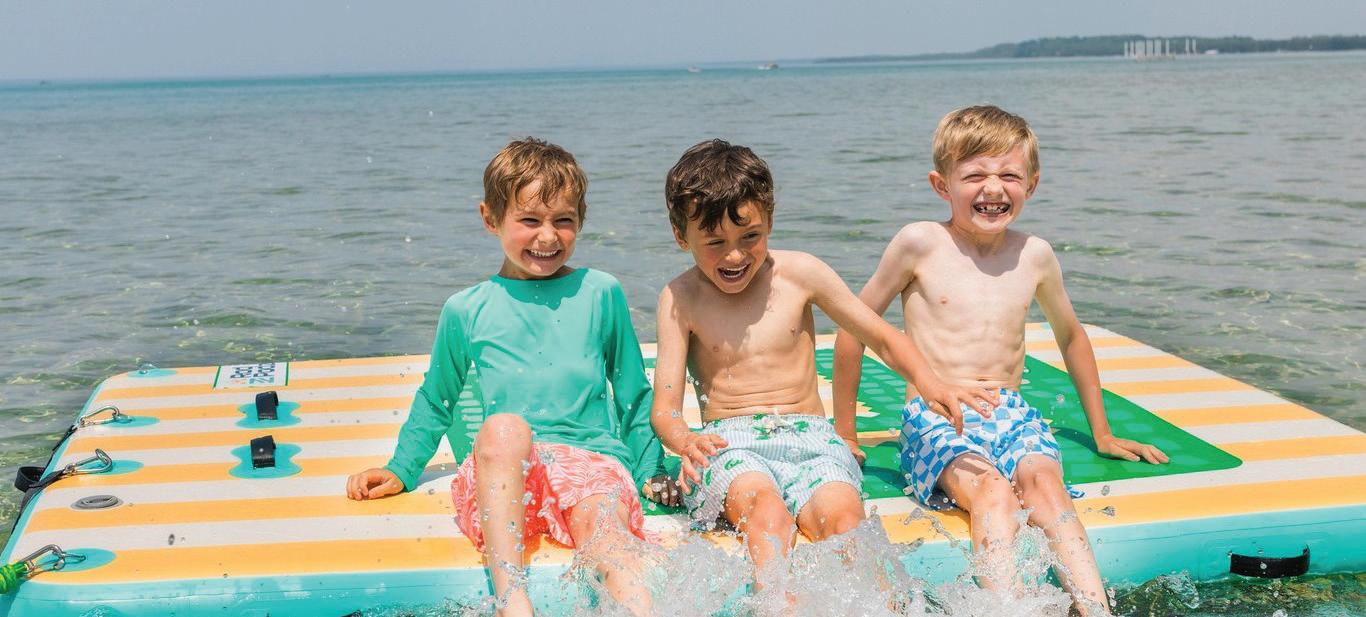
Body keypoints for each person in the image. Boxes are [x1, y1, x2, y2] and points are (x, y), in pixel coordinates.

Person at [832, 105, 1169, 615]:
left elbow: (1072, 336)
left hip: (1012, 412)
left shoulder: (1034, 254)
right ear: (942, 185)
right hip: (936, 415)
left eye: (1009, 175)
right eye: (975, 176)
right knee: (993, 491)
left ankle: (1095, 609)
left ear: (1031, 183)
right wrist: (846, 434)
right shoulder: (920, 244)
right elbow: (854, 329)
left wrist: (1102, 433)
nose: (993, 189)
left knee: (1046, 487)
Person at [345, 138, 676, 617]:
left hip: (590, 465)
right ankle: (512, 601)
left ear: (581, 219)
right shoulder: (466, 309)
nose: (548, 236)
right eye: (530, 220)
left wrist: (651, 471)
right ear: (490, 218)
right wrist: (401, 468)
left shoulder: (600, 292)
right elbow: (437, 398)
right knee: (503, 428)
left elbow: (632, 395)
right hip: (505, 475)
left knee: (611, 543)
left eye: (563, 220)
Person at [649, 138, 997, 584]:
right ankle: (779, 606)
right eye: (715, 242)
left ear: (770, 220)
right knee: (767, 518)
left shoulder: (801, 273)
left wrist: (931, 382)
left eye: (750, 236)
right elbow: (665, 408)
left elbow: (882, 336)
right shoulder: (680, 297)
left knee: (846, 525)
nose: (735, 255)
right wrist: (686, 441)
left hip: (813, 438)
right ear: (682, 236)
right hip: (730, 444)